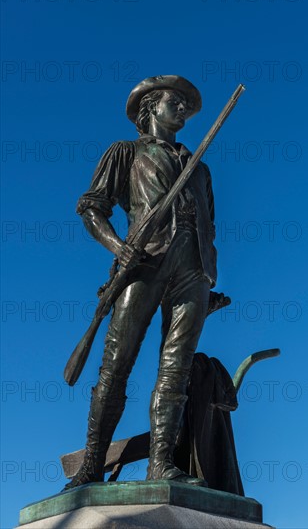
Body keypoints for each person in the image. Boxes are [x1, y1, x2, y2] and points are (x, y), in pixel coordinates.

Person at [63, 75, 219, 490]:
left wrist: (208, 280)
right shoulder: (126, 153)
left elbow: (209, 227)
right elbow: (91, 207)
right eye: (175, 101)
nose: (183, 108)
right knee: (116, 365)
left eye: (187, 103)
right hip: (142, 263)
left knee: (176, 369)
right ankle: (92, 466)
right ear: (150, 107)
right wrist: (118, 247)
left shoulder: (199, 168)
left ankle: (161, 464)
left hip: (194, 274)